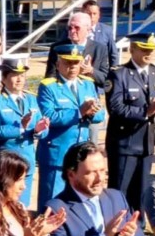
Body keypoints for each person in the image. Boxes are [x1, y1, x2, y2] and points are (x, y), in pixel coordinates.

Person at [105, 33, 155, 218]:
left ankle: (138, 228)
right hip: (125, 143)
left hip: (146, 144)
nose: (148, 53)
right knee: (120, 191)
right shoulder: (119, 74)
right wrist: (146, 111)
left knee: (142, 191)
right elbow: (116, 108)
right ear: (132, 49)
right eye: (144, 49)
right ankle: (116, 231)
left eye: (151, 50)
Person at [36, 44, 106, 210]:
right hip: (57, 154)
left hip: (80, 157)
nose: (72, 67)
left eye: (75, 63)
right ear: (58, 64)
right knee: (51, 205)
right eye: (67, 63)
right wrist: (79, 112)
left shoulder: (87, 84)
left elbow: (101, 116)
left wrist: (90, 113)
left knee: (78, 203)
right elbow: (49, 117)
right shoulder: (49, 86)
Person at [0, 56, 49, 208]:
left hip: (26, 161)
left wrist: (38, 130)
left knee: (21, 208)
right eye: (14, 75)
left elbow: (42, 131)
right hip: (5, 164)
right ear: (4, 78)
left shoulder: (31, 100)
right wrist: (20, 128)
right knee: (1, 208)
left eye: (22, 75)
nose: (19, 80)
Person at [45, 13, 110, 97]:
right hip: (63, 95)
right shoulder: (58, 48)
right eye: (70, 28)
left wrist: (91, 71)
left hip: (88, 97)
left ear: (88, 30)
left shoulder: (100, 49)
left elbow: (106, 81)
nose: (72, 31)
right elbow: (50, 76)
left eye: (77, 28)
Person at [83, 0, 118, 68]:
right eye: (89, 13)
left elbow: (113, 54)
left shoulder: (106, 30)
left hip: (99, 72)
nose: (91, 16)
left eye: (94, 13)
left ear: (99, 15)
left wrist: (114, 73)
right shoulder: (73, 29)